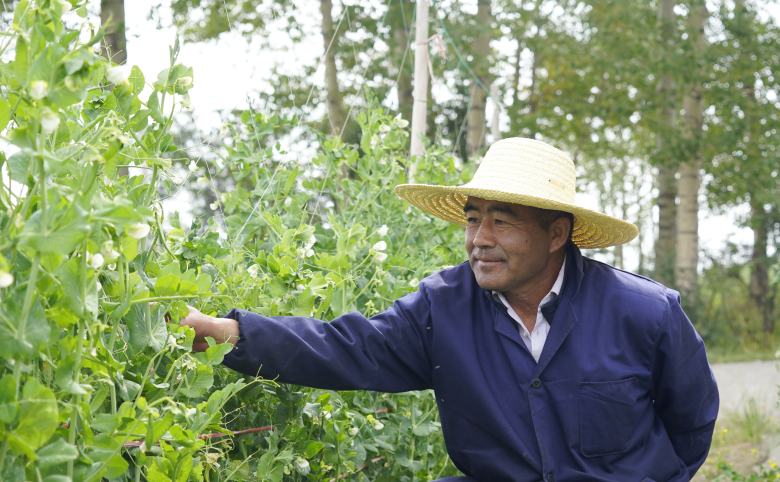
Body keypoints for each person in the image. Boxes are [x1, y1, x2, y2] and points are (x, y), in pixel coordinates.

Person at [182, 138, 719, 482]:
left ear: (557, 234)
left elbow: (691, 425)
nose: (479, 240)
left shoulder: (645, 313)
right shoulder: (443, 308)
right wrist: (231, 333)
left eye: (502, 221)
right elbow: (350, 348)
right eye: (472, 219)